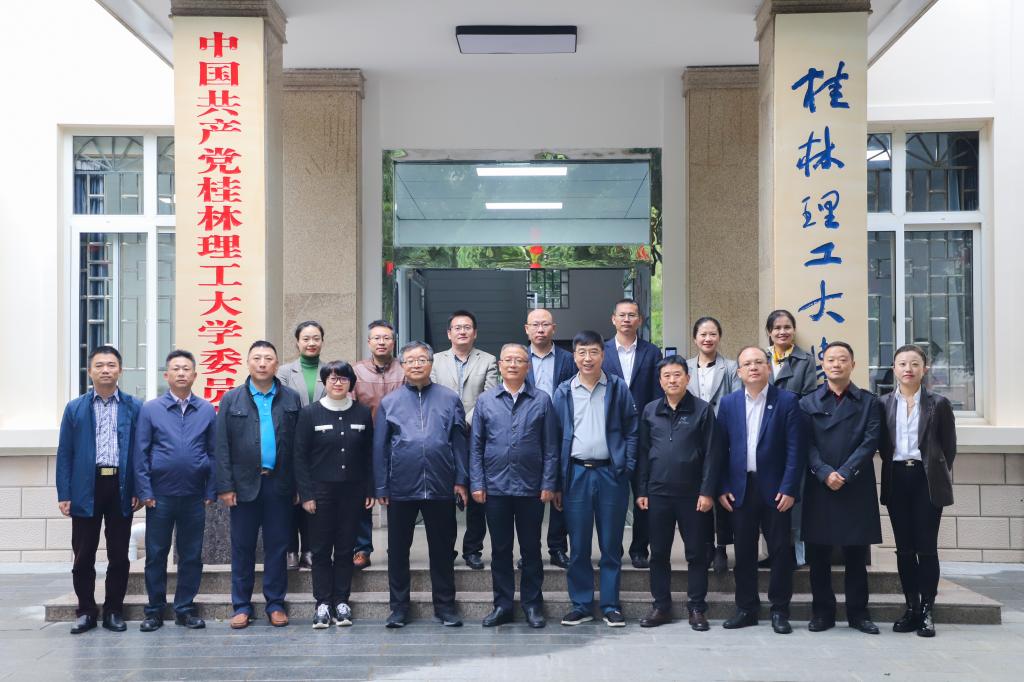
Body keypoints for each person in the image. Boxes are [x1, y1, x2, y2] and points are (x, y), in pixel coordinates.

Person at [374, 341, 469, 628]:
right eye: (410, 360)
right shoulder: (389, 402)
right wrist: (381, 486)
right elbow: (380, 447)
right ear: (402, 365)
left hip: (441, 484)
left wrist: (461, 479)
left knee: (442, 549)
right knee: (397, 550)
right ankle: (399, 608)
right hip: (401, 486)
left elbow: (458, 442)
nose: (416, 364)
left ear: (431, 363)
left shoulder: (449, 398)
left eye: (422, 360)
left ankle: (445, 606)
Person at [717, 346, 806, 635]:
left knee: (780, 551)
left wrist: (790, 488)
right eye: (747, 364)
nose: (753, 367)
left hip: (776, 490)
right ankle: (746, 609)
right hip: (740, 489)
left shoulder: (787, 401)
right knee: (744, 552)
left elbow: (795, 450)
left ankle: (780, 610)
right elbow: (719, 450)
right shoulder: (729, 404)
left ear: (769, 368)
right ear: (739, 372)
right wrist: (722, 487)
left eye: (759, 362)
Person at [215, 340, 302, 629]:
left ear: (276, 364)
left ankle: (275, 604)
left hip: (280, 484)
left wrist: (299, 486)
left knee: (278, 547)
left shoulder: (290, 398)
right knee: (242, 547)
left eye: (268, 358)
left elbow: (299, 446)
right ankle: (241, 606)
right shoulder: (232, 399)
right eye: (257, 358)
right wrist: (226, 486)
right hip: (243, 487)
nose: (262, 363)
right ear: (248, 362)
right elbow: (222, 446)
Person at [471, 343, 559, 628]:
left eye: (518, 360)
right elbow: (476, 446)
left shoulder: (541, 400)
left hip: (531, 488)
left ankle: (533, 605)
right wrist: (477, 482)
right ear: (499, 365)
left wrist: (548, 482)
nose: (512, 364)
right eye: (507, 360)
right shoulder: (485, 401)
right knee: (500, 549)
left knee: (531, 548)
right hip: (495, 487)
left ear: (527, 366)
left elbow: (551, 447)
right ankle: (503, 605)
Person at [554, 330, 638, 628]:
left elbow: (632, 429)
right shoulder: (564, 391)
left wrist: (626, 466)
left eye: (593, 352)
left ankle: (611, 605)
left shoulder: (617, 387)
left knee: (611, 544)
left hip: (610, 474)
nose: (587, 358)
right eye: (582, 352)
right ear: (574, 356)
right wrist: (557, 482)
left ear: (603, 355)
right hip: (575, 474)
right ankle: (581, 604)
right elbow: (554, 437)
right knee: (578, 545)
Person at [56, 345, 142, 635]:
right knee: (83, 554)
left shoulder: (134, 406)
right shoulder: (75, 408)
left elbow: (141, 451)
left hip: (120, 486)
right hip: (85, 486)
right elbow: (65, 453)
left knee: (119, 554)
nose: (106, 370)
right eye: (100, 365)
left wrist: (138, 488)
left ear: (120, 370)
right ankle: (86, 611)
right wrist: (64, 493)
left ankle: (114, 611)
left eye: (111, 365)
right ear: (90, 371)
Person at [799, 342, 882, 635]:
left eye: (843, 359)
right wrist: (824, 473)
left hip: (855, 485)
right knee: (818, 555)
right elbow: (805, 444)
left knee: (856, 556)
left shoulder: (870, 402)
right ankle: (823, 612)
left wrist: (845, 473)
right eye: (831, 359)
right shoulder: (808, 402)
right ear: (823, 365)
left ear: (853, 365)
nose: (836, 364)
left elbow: (870, 442)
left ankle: (859, 614)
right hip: (820, 485)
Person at [135, 350, 217, 632]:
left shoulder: (206, 410)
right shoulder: (151, 409)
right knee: (156, 555)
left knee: (191, 555)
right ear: (166, 375)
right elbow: (141, 453)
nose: (181, 373)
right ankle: (154, 611)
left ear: (195, 375)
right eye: (176, 369)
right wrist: (145, 490)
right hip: (160, 496)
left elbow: (213, 452)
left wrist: (211, 490)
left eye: (186, 369)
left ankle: (185, 608)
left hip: (194, 496)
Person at [879, 344, 957, 638]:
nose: (908, 369)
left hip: (926, 479)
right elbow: (882, 443)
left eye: (914, 364)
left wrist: (935, 471)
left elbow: (948, 447)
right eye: (902, 364)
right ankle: (911, 607)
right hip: (897, 477)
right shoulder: (883, 403)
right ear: (894, 369)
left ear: (925, 369)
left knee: (926, 547)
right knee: (904, 548)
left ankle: (927, 610)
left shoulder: (939, 403)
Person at [636, 355, 719, 631]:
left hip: (693, 496)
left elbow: (712, 454)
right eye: (667, 376)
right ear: (660, 381)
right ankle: (661, 606)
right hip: (657, 494)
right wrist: (642, 489)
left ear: (688, 378)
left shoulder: (703, 410)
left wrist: (707, 491)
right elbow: (644, 453)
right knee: (658, 553)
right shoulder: (650, 411)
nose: (672, 380)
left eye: (677, 375)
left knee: (696, 553)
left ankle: (696, 608)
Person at [293, 361, 375, 629]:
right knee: (320, 550)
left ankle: (341, 601)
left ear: (351, 383)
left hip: (353, 492)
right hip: (320, 493)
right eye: (332, 378)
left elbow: (369, 454)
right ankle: (322, 603)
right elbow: (300, 457)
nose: (337, 383)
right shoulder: (310, 413)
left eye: (343, 379)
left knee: (345, 548)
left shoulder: (362, 413)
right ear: (324, 382)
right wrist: (306, 494)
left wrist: (370, 489)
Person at [430, 310, 499, 570]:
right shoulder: (435, 361)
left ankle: (473, 549)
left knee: (477, 493)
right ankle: (446, 548)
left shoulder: (488, 360)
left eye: (467, 327)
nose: (462, 331)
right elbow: (433, 395)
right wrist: (451, 422)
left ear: (475, 333)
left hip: (475, 436)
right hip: (442, 437)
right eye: (457, 327)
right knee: (445, 497)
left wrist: (464, 420)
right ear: (449, 333)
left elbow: (488, 397)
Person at [602, 298, 663, 569]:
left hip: (644, 432)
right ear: (613, 319)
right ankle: (612, 548)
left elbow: (658, 394)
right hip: (610, 433)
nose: (627, 319)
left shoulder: (652, 353)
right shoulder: (602, 351)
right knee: (612, 497)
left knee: (643, 494)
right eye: (622, 315)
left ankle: (639, 549)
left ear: (640, 320)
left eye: (632, 315)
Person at [763, 309, 817, 569]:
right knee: (766, 494)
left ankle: (795, 553)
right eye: (777, 328)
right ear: (769, 332)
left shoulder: (805, 360)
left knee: (793, 494)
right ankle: (773, 551)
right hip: (764, 435)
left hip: (791, 432)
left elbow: (808, 398)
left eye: (787, 327)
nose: (782, 332)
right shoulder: (761, 357)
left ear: (794, 330)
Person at [686, 316, 739, 574]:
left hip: (722, 436)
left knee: (721, 494)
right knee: (700, 493)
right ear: (695, 338)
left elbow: (737, 400)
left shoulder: (730, 367)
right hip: (693, 438)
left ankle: (722, 547)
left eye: (712, 334)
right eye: (703, 334)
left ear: (719, 337)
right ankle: (706, 545)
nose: (708, 339)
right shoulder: (685, 367)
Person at [524, 307, 576, 569]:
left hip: (561, 431)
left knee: (560, 490)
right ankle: (529, 550)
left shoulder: (568, 359)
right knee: (530, 496)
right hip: (528, 434)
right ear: (527, 329)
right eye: (535, 325)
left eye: (545, 324)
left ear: (554, 328)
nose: (540, 329)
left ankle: (557, 547)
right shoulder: (518, 358)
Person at [351, 319, 404, 570]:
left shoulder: (404, 370)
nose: (381, 342)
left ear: (394, 342)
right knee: (363, 497)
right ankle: (361, 548)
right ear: (369, 342)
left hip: (399, 442)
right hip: (365, 443)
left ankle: (397, 547)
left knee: (397, 497)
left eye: (387, 338)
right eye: (377, 338)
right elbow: (350, 407)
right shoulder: (356, 371)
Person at [277, 321, 326, 571]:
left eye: (316, 338)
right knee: (291, 497)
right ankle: (290, 551)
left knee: (313, 497)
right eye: (306, 338)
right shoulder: (284, 372)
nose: (311, 343)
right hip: (290, 441)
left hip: (321, 445)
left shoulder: (330, 371)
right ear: (297, 342)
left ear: (322, 341)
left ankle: (309, 549)